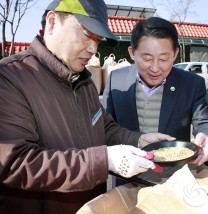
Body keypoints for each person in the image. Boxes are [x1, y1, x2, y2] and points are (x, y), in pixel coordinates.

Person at [0, 1, 175, 213]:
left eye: (98, 40)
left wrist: (139, 140)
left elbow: (104, 128)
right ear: (53, 22)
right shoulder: (10, 79)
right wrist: (104, 160)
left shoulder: (85, 82)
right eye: (85, 34)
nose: (93, 49)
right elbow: (16, 162)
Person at [102, 17, 208, 166]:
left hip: (173, 175)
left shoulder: (191, 83)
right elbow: (105, 129)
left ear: (175, 54)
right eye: (147, 58)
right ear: (132, 53)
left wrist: (207, 136)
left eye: (164, 59)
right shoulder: (116, 79)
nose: (155, 68)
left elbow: (205, 121)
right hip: (128, 173)